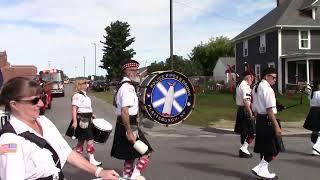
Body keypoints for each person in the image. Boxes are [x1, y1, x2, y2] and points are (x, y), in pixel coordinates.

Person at [0, 77, 119, 180]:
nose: (41, 104)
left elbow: (66, 152)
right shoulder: (10, 141)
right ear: (14, 105)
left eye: (41, 98)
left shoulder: (43, 121)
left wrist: (100, 172)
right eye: (34, 100)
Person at [111, 59, 153, 180]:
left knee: (129, 157)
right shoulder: (128, 88)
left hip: (124, 124)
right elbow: (125, 111)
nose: (136, 73)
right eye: (133, 71)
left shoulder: (123, 86)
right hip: (129, 125)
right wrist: (129, 132)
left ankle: (126, 177)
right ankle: (134, 176)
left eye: (136, 70)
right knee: (146, 152)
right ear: (126, 72)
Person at [251, 67, 282, 179]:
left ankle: (264, 171)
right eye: (273, 77)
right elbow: (269, 110)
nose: (275, 80)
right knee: (276, 148)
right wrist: (277, 126)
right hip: (268, 120)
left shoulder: (255, 87)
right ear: (266, 76)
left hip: (260, 119)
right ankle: (261, 167)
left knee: (265, 148)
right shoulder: (268, 89)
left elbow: (254, 106)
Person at [65, 78, 102, 166]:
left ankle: (74, 156)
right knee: (90, 139)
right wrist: (74, 122)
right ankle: (91, 159)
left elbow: (86, 108)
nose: (87, 85)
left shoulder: (85, 96)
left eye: (87, 83)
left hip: (87, 119)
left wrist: (92, 114)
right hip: (82, 120)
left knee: (81, 140)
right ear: (80, 85)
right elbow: (74, 109)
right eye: (85, 83)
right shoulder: (78, 95)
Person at [234, 70, 255, 158]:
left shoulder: (239, 85)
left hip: (241, 109)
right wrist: (251, 114)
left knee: (244, 131)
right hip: (246, 110)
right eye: (252, 78)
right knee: (252, 132)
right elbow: (246, 100)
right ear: (249, 77)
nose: (252, 81)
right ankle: (244, 148)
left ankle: (244, 149)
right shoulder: (245, 86)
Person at [303, 79, 320, 155]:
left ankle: (314, 148)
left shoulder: (312, 93)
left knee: (315, 130)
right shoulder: (319, 93)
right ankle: (316, 147)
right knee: (317, 130)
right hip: (318, 112)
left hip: (312, 111)